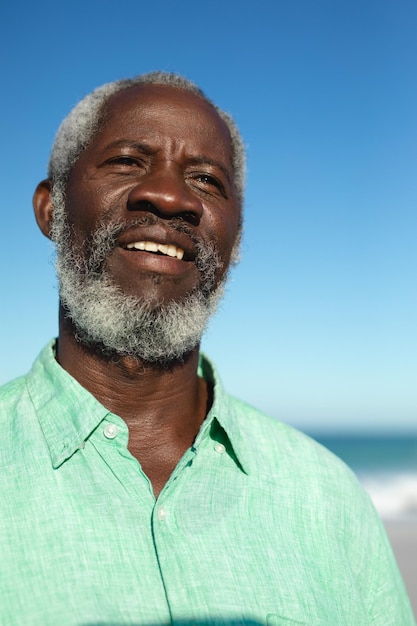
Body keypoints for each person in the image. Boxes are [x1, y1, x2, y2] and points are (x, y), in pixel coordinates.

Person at [0, 72, 414, 626]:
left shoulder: (328, 498)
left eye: (206, 179)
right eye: (127, 161)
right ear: (51, 209)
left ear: (235, 241)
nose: (171, 197)